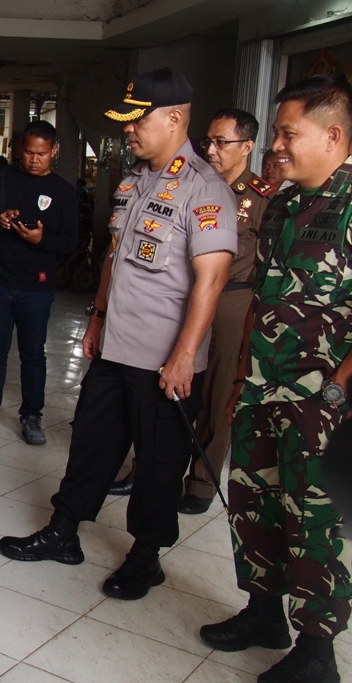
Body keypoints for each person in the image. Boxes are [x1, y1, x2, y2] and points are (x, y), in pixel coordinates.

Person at [0, 68, 237, 601]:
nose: (128, 131)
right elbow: (114, 256)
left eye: (138, 121)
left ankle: (146, 556)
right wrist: (99, 316)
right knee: (91, 444)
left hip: (164, 360)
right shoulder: (134, 179)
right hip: (115, 346)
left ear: (175, 118)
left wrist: (183, 356)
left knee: (157, 462)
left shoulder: (205, 189)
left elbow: (212, 280)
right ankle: (64, 532)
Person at [200, 74, 352, 683]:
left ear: (334, 134)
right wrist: (242, 377)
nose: (278, 145)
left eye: (290, 133)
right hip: (264, 389)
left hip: (326, 401)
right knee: (253, 501)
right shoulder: (286, 201)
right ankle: (263, 611)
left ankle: (318, 653)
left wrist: (339, 390)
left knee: (315, 519)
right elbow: (266, 300)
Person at [175, 108, 276, 514]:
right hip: (190, 292)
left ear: (247, 147)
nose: (211, 150)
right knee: (175, 383)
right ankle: (152, 467)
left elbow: (269, 267)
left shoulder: (263, 199)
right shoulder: (194, 187)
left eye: (221, 142)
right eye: (208, 142)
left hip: (234, 300)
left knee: (219, 392)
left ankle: (201, 481)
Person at [0, 121, 79, 445]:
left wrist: (42, 239)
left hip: (38, 287)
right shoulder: (2, 178)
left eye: (41, 153)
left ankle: (31, 416)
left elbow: (71, 241)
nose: (34, 159)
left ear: (53, 151)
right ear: (18, 150)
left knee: (33, 354)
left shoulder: (64, 191)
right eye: (28, 152)